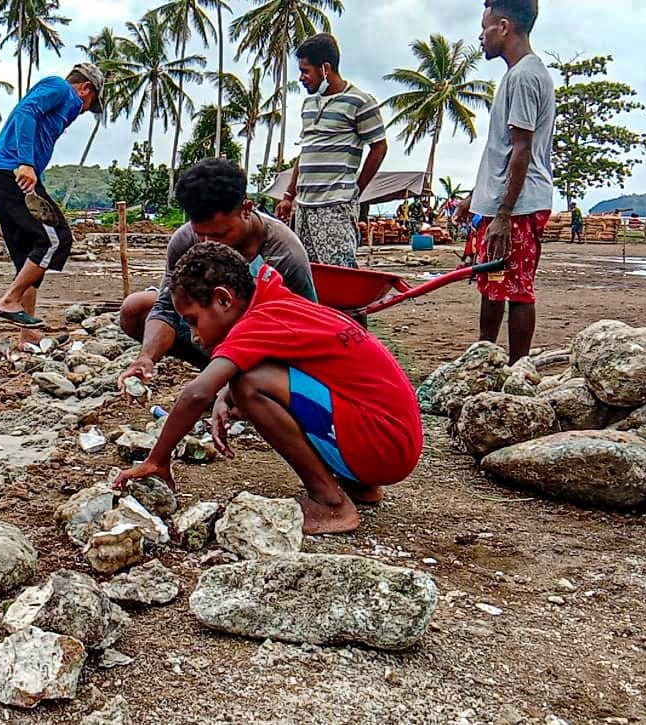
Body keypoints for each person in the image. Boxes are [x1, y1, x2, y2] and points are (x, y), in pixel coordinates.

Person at [112, 243, 423, 535]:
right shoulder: (270, 296)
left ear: (223, 299)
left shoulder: (257, 322)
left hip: (383, 444)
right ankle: (360, 485)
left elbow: (196, 393)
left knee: (250, 385)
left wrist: (157, 460)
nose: (193, 336)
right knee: (244, 379)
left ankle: (332, 504)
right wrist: (225, 395)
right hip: (391, 441)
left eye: (193, 321)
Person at [117, 158, 316, 384]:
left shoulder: (286, 254)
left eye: (221, 234)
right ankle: (216, 372)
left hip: (263, 343)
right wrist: (146, 358)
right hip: (216, 333)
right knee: (136, 308)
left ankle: (241, 381)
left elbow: (306, 329)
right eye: (200, 234)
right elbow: (166, 307)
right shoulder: (184, 240)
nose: (208, 243)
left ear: (246, 209)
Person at [457, 0, 556, 363]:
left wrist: (503, 214)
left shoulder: (527, 76)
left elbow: (521, 149)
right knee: (493, 284)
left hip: (519, 206)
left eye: (483, 29)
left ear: (503, 27)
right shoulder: (515, 75)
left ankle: (517, 369)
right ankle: (484, 359)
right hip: (504, 203)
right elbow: (501, 151)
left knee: (517, 290)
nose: (480, 38)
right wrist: (475, 197)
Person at [0, 63, 106, 346]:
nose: (84, 111)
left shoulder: (61, 104)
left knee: (28, 254)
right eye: (89, 105)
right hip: (14, 172)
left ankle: (28, 335)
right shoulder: (60, 88)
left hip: (3, 174)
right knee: (56, 240)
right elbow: (27, 111)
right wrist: (26, 162)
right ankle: (9, 300)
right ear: (85, 88)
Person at [276, 33, 388, 268]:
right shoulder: (308, 105)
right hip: (305, 208)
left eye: (306, 71)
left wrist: (356, 189)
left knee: (339, 270)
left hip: (334, 206)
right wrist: (289, 196)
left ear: (325, 68)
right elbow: (306, 151)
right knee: (308, 273)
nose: (301, 78)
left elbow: (379, 147)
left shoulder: (359, 101)